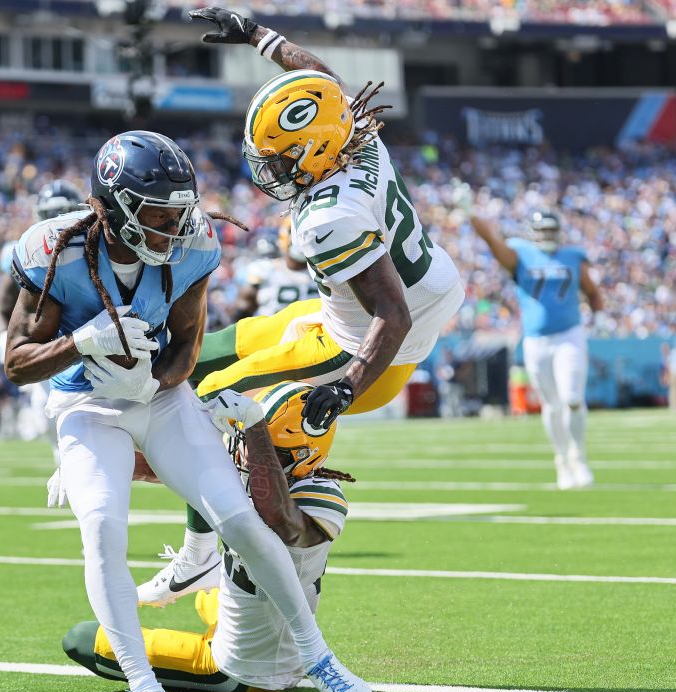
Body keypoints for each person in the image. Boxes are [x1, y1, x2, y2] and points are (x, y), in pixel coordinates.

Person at [5, 130, 371, 692]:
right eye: (158, 212)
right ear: (109, 207)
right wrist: (82, 341)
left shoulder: (193, 246)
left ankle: (319, 658)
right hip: (87, 407)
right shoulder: (53, 251)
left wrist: (153, 384)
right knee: (100, 531)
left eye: (181, 209)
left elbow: (187, 346)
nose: (176, 225)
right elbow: (17, 363)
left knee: (237, 515)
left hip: (159, 396)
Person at [145, 6, 464, 605]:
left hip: (364, 345)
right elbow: (319, 79)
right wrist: (260, 37)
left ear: (315, 150)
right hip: (365, 308)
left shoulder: (328, 219)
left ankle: (198, 554)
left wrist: (345, 387)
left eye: (282, 160)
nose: (270, 171)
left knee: (211, 403)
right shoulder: (353, 134)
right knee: (206, 355)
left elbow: (389, 317)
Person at [63, 382, 355, 692]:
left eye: (267, 447)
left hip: (245, 670)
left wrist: (256, 428)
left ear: (305, 456)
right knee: (207, 592)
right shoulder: (266, 469)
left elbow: (279, 517)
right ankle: (199, 564)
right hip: (260, 620)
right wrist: (88, 463)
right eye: (246, 442)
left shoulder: (321, 498)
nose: (245, 453)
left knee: (80, 639)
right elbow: (179, 466)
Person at [464, 205, 603, 489]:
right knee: (551, 405)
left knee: (572, 398)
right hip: (536, 339)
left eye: (552, 229)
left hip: (569, 335)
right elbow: (492, 241)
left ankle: (580, 456)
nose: (548, 235)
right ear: (533, 232)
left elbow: (592, 291)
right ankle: (562, 460)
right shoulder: (521, 253)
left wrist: (597, 317)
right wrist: (469, 212)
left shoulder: (572, 256)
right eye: (543, 230)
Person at [0, 181, 88, 441]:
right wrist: (4, 338)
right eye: (50, 215)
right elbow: (2, 306)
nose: (57, 222)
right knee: (49, 417)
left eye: (63, 213)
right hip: (47, 346)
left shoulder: (97, 248)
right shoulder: (28, 251)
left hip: (88, 343)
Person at [236, 234, 317, 320]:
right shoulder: (265, 268)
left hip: (309, 329)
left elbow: (244, 306)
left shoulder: (321, 271)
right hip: (271, 328)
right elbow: (245, 305)